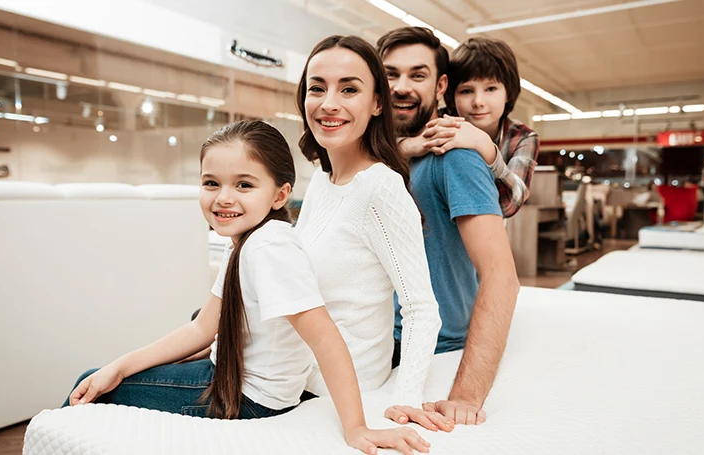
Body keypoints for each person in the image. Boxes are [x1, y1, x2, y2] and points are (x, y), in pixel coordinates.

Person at [64, 120, 429, 455]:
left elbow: (325, 338)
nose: (224, 197)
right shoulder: (247, 238)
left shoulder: (270, 249)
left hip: (251, 400)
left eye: (244, 185)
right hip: (231, 377)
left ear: (279, 195)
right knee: (102, 376)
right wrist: (119, 366)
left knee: (87, 384)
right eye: (211, 183)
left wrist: (356, 428)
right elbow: (201, 328)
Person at [294, 35, 451, 434]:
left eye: (349, 88)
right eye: (317, 88)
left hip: (333, 392)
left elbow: (420, 308)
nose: (329, 102)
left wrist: (406, 399)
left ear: (377, 103)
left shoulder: (379, 189)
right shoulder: (322, 177)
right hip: (290, 373)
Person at [378, 27, 521, 425]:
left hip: (418, 344)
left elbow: (501, 275)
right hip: (366, 334)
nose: (401, 86)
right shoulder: (371, 156)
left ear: (441, 84)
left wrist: (465, 396)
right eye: (390, 74)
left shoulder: (454, 154)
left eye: (417, 75)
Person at [397, 37, 539, 219]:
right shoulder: (436, 122)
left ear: (508, 93)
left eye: (491, 89)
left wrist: (487, 150)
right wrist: (408, 146)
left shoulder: (523, 137)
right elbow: (377, 150)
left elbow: (510, 204)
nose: (478, 102)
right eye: (466, 91)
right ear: (450, 94)